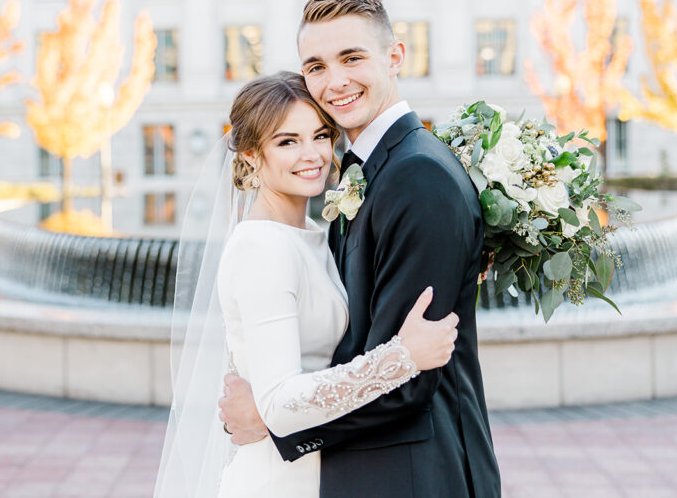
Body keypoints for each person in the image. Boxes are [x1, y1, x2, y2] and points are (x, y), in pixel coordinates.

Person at [219, 0, 502, 497]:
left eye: (351, 57)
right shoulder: (373, 174)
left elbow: (411, 377)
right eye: (317, 66)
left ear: (395, 57)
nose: (335, 82)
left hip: (414, 475)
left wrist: (270, 419)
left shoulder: (417, 176)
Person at [154, 71, 459, 498]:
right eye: (287, 141)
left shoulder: (314, 230)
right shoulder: (262, 246)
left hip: (321, 470)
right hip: (279, 481)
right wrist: (402, 357)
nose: (312, 154)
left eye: (319, 135)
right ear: (250, 155)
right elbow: (279, 402)